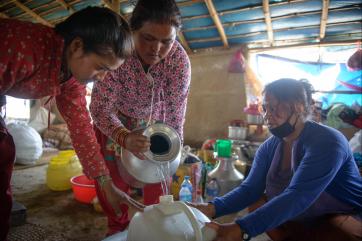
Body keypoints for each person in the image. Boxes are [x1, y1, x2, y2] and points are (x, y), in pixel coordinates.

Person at [0, 7, 143, 241]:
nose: (102, 78)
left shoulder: (69, 78)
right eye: (101, 67)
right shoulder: (24, 46)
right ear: (77, 46)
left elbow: (81, 129)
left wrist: (106, 184)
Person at [190, 79, 362, 241]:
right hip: (304, 216)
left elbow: (298, 196)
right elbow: (250, 189)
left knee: (336, 228)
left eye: (274, 108)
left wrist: (240, 228)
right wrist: (211, 208)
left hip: (343, 216)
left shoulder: (327, 142)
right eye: (264, 109)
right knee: (258, 203)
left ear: (299, 107)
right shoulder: (269, 147)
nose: (267, 116)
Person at [90, 0, 191, 235]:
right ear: (132, 30)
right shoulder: (117, 52)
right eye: (147, 38)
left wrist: (172, 148)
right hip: (114, 123)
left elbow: (176, 115)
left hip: (155, 126)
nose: (156, 49)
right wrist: (122, 136)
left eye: (166, 41)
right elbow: (100, 108)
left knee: (159, 182)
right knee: (113, 184)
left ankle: (155, 229)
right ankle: (117, 229)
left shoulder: (178, 61)